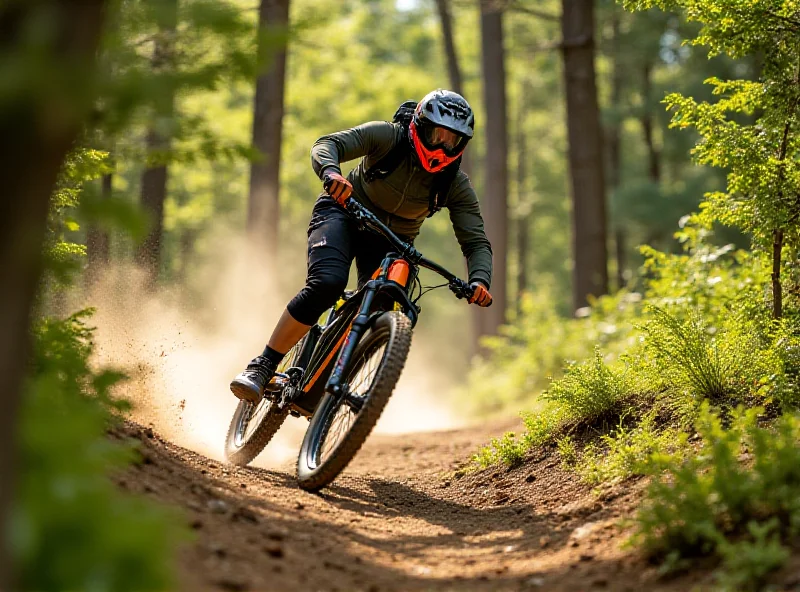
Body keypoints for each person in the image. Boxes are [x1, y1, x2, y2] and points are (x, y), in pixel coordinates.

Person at [230, 89, 494, 404]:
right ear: (420, 126)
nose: (441, 147)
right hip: (343, 212)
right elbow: (329, 144)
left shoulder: (455, 184)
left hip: (394, 242)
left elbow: (475, 240)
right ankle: (263, 365)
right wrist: (331, 174)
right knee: (327, 283)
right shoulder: (388, 136)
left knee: (386, 306)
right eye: (437, 135)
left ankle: (331, 387)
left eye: (452, 140)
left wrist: (479, 279)